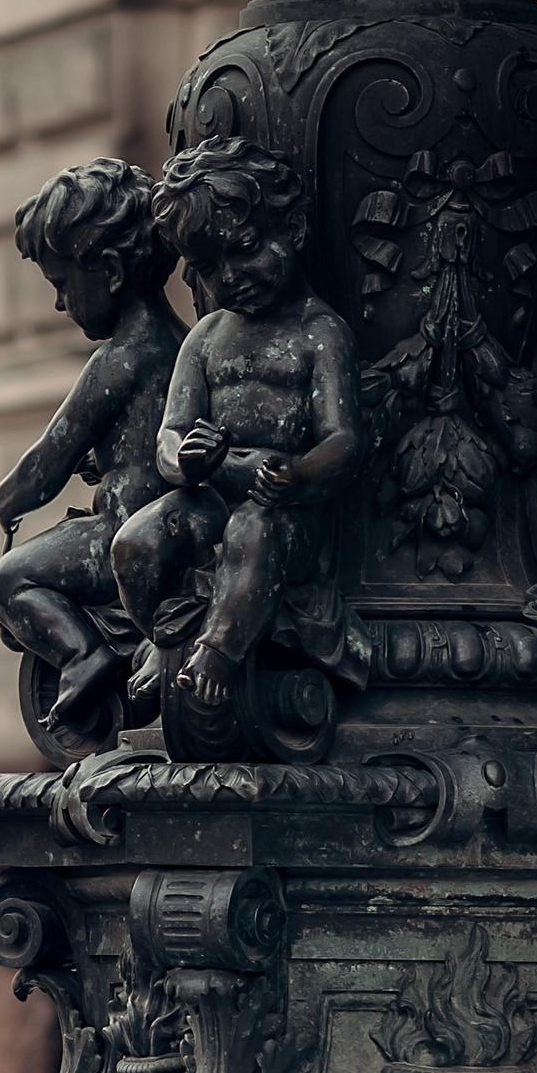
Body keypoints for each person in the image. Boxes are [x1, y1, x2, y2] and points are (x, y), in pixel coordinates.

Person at [109, 139, 366, 709]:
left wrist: (299, 475)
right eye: (206, 267)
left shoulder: (320, 333)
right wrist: (185, 461)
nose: (230, 276)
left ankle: (218, 652)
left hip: (283, 509)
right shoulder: (205, 338)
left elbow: (345, 440)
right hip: (212, 492)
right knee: (134, 544)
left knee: (253, 527)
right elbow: (170, 433)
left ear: (293, 229)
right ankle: (166, 636)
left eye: (245, 249)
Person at [0, 158, 184, 748]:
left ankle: (83, 654)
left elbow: (47, 463)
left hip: (121, 534)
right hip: (167, 528)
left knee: (7, 581)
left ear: (110, 271)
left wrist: (7, 500)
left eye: (62, 284)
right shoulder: (181, 343)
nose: (59, 304)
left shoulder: (117, 361)